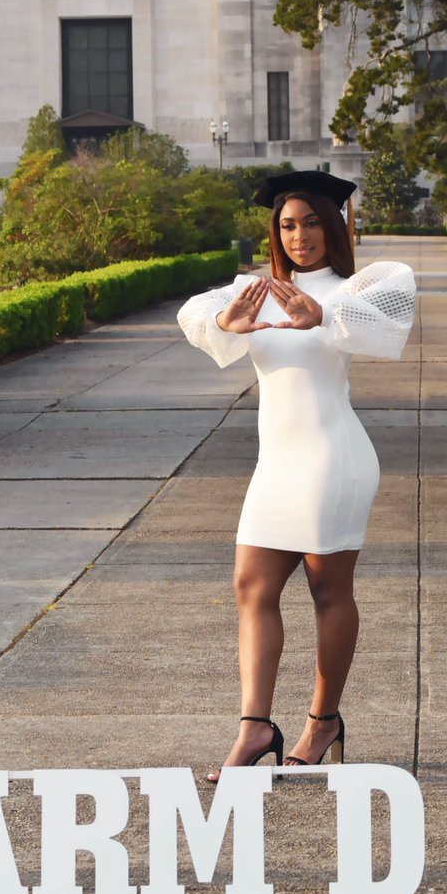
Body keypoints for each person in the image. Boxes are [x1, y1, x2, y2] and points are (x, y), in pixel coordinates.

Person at [177, 171, 415, 780]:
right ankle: (255, 728)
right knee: (251, 587)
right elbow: (196, 314)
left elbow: (392, 323)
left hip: (333, 459)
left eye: (311, 222)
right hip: (276, 464)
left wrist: (325, 321)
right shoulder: (256, 292)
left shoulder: (354, 289)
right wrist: (227, 325)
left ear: (332, 226)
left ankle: (322, 721)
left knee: (327, 591)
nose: (299, 235)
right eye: (287, 225)